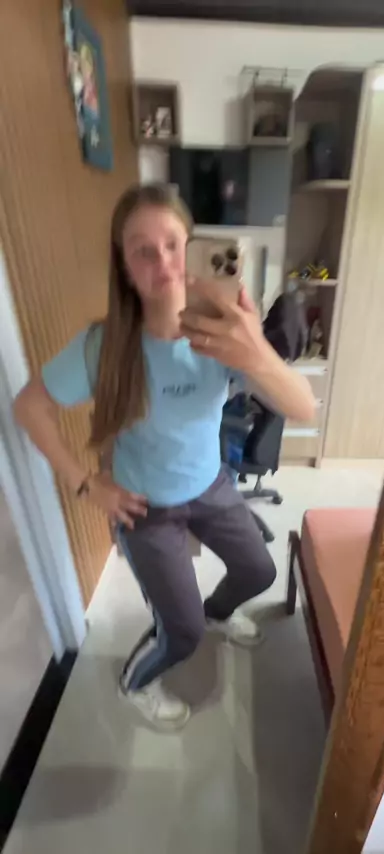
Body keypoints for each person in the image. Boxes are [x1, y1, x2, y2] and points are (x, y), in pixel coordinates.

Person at [14, 183, 316, 730]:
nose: (164, 263)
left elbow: (303, 408)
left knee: (259, 571)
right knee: (181, 633)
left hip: (210, 485)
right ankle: (135, 683)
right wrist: (86, 482)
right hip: (144, 508)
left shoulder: (223, 336)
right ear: (124, 268)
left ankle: (217, 613)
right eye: (143, 251)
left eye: (174, 245)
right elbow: (29, 407)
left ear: (194, 249)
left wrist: (256, 351)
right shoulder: (103, 347)